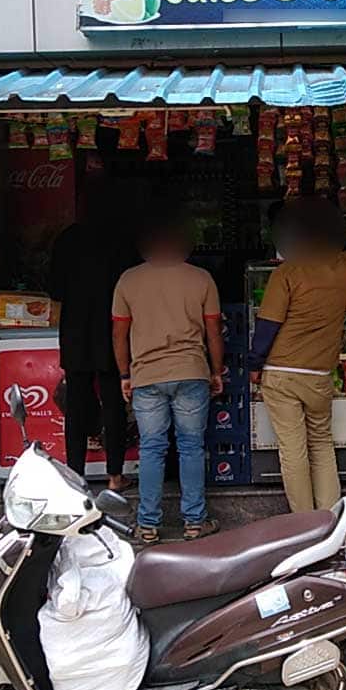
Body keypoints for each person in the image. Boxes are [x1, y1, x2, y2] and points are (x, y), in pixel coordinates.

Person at [248, 197, 346, 513]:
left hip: (281, 372)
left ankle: (304, 521)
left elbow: (268, 325)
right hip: (320, 374)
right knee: (321, 443)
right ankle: (330, 517)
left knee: (293, 450)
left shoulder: (287, 273)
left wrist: (254, 363)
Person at [111, 218, 224, 545]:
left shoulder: (129, 280)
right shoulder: (201, 278)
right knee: (191, 447)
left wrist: (125, 374)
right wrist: (216, 371)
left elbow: (119, 333)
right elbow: (213, 331)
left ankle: (147, 525)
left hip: (146, 375)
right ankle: (194, 522)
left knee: (151, 448)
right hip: (191, 371)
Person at [48, 206, 137, 490]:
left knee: (76, 406)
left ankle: (75, 477)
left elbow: (55, 289)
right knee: (114, 405)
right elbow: (132, 288)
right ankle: (115, 476)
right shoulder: (122, 240)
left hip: (75, 333)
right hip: (111, 331)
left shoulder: (68, 238)